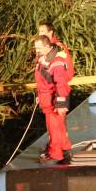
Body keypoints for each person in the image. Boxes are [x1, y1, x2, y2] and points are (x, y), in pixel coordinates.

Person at [33, 35, 72, 164]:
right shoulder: (43, 59)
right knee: (58, 127)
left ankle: (56, 154)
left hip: (53, 100)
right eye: (35, 48)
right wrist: (39, 95)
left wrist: (60, 103)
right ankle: (65, 149)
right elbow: (41, 81)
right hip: (46, 98)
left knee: (54, 128)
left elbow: (61, 83)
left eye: (39, 48)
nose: (37, 51)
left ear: (48, 46)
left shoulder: (56, 61)